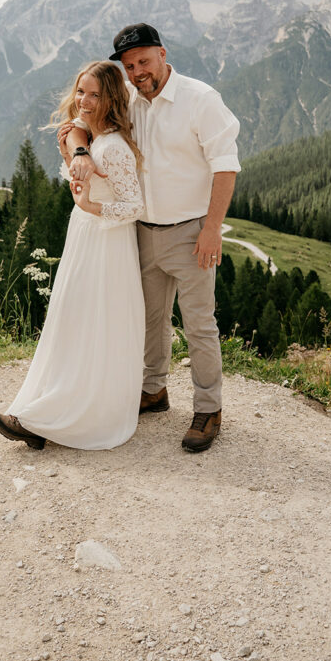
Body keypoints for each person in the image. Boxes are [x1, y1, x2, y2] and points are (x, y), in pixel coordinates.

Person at [62, 23, 240, 453]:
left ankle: (208, 408)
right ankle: (154, 390)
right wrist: (82, 151)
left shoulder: (201, 99)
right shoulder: (128, 100)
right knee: (150, 319)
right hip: (141, 232)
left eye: (143, 61)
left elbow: (226, 166)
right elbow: (79, 121)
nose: (138, 71)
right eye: (129, 65)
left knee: (199, 324)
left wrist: (212, 229)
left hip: (191, 231)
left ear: (163, 53)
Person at [0, 61, 145, 450]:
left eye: (95, 94)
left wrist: (93, 209)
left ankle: (57, 417)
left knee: (91, 324)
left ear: (111, 99)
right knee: (75, 321)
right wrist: (68, 153)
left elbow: (134, 206)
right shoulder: (90, 140)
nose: (85, 101)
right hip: (85, 237)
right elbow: (81, 187)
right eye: (81, 91)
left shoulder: (113, 147)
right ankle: (48, 411)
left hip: (106, 243)